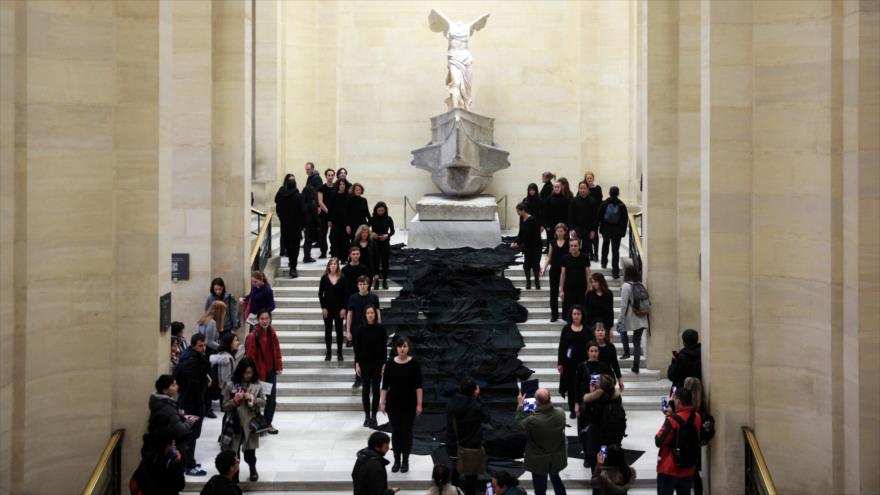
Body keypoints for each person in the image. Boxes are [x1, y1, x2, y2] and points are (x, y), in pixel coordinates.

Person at [380, 336, 423, 473]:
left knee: (407, 432)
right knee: (396, 432)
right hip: (393, 403)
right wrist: (382, 402)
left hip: (409, 403)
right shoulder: (390, 364)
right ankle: (396, 460)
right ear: (396, 348)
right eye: (400, 346)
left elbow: (419, 386)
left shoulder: (414, 363)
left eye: (404, 346)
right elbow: (385, 385)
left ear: (408, 348)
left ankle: (405, 460)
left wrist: (419, 404)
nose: (402, 349)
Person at [515, 388, 568, 495]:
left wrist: (520, 406)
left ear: (537, 401)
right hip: (555, 457)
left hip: (538, 460)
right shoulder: (561, 413)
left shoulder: (533, 420)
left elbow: (519, 425)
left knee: (540, 489)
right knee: (556, 480)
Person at [222, 357, 267, 483]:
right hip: (234, 423)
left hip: (250, 423)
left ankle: (253, 469)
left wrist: (252, 399)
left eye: (250, 372)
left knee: (250, 452)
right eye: (246, 372)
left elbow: (263, 401)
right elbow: (224, 406)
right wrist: (234, 400)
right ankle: (235, 474)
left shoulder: (257, 385)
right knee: (233, 452)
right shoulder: (231, 385)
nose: (248, 375)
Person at [445, 377, 490, 495]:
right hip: (471, 446)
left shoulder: (451, 403)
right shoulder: (476, 405)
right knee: (471, 478)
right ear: (474, 391)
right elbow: (487, 418)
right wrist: (478, 397)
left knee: (455, 472)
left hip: (454, 443)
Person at [148, 375, 198, 474]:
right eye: (173, 385)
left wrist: (180, 417)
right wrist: (190, 421)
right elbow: (181, 430)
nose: (177, 387)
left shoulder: (157, 401)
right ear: (165, 390)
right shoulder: (168, 408)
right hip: (171, 446)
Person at [655, 387, 701, 495]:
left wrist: (670, 416)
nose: (673, 401)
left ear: (678, 401)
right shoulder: (697, 417)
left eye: (674, 399)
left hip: (669, 468)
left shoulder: (672, 420)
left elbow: (658, 441)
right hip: (688, 469)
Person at [177, 333, 211, 475]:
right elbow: (193, 384)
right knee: (191, 434)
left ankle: (188, 461)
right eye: (200, 346)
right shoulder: (192, 361)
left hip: (192, 401)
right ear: (193, 345)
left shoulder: (192, 357)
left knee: (192, 435)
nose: (203, 348)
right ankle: (188, 464)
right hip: (192, 403)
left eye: (204, 345)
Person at [244, 310, 282, 434]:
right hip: (258, 373)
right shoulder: (252, 336)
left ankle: (266, 423)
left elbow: (276, 351)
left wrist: (278, 366)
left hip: (270, 371)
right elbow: (250, 357)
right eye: (262, 319)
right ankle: (255, 425)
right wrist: (252, 375)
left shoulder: (272, 332)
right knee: (254, 400)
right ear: (258, 319)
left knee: (272, 400)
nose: (265, 321)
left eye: (267, 318)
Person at [580, 374, 625, 473]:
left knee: (598, 470)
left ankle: (598, 485)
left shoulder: (596, 400)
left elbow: (584, 412)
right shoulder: (616, 399)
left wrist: (592, 394)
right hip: (613, 442)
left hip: (598, 443)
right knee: (608, 468)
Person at [130, 418, 186, 495]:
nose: (174, 446)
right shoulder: (164, 464)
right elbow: (179, 485)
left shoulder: (149, 454)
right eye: (172, 444)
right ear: (167, 446)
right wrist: (177, 464)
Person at [354, 305, 387, 427]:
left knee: (376, 390)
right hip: (364, 363)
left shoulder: (381, 329)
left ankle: (374, 416)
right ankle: (367, 416)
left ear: (375, 314)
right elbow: (357, 349)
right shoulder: (360, 329)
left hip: (378, 363)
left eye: (372, 312)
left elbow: (384, 348)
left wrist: (384, 364)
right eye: (368, 313)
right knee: (365, 390)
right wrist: (357, 364)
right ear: (365, 315)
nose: (370, 315)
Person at [347, 275, 381, 386]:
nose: (362, 286)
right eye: (360, 284)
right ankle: (358, 378)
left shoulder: (374, 297)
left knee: (371, 354)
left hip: (371, 330)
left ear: (368, 285)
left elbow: (377, 313)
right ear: (357, 285)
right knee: (358, 354)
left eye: (365, 284)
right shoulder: (352, 298)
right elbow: (350, 314)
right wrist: (348, 331)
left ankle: (370, 378)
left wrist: (379, 327)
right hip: (357, 331)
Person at [557, 305, 589, 418]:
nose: (576, 316)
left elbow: (590, 346)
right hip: (569, 363)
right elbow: (562, 347)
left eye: (578, 314)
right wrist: (560, 363)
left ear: (582, 315)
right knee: (571, 386)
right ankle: (572, 409)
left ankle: (582, 407)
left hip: (583, 363)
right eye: (574, 314)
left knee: (582, 385)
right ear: (571, 315)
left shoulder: (587, 329)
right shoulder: (566, 329)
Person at [274, 173, 305, 278]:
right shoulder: (298, 196)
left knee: (288, 246)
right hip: (295, 228)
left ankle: (291, 263)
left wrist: (282, 219)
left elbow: (278, 209)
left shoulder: (282, 196)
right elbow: (303, 212)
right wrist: (302, 225)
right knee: (295, 248)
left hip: (285, 226)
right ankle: (293, 267)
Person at [618, 266, 649, 368]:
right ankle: (636, 366)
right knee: (637, 342)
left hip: (630, 316)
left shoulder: (626, 286)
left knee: (622, 330)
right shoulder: (641, 284)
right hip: (642, 316)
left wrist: (620, 319)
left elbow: (623, 305)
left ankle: (626, 352)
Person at [319, 257, 348, 362]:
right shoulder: (324, 278)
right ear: (328, 266)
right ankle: (329, 352)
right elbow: (320, 294)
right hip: (328, 309)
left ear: (337, 266)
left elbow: (346, 294)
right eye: (331, 264)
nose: (333, 265)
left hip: (339, 309)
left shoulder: (342, 278)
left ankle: (339, 352)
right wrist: (323, 308)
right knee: (328, 331)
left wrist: (344, 308)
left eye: (335, 264)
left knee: (339, 331)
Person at [597, 186, 628, 279]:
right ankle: (615, 271)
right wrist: (623, 232)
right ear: (618, 193)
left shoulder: (604, 203)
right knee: (615, 250)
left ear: (609, 193)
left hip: (606, 229)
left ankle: (604, 262)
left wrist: (600, 227)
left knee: (605, 245)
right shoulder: (621, 205)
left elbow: (599, 216)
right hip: (617, 231)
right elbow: (624, 219)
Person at [511, 202, 542, 290]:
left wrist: (519, 243)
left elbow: (528, 234)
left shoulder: (532, 220)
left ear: (523, 210)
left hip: (535, 245)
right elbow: (521, 232)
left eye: (518, 211)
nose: (517, 213)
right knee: (527, 264)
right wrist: (516, 241)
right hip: (527, 245)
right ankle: (528, 282)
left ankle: (537, 281)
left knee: (536, 264)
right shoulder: (521, 218)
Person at [542, 223, 569, 322]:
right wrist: (544, 267)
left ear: (565, 232)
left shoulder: (568, 242)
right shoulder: (552, 242)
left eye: (561, 231)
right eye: (557, 231)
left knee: (565, 292)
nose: (559, 233)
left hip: (566, 270)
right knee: (553, 293)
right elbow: (549, 256)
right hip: (554, 270)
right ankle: (554, 314)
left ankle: (566, 314)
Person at [559, 238, 591, 321]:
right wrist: (561, 290)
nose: (573, 247)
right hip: (569, 288)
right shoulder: (565, 258)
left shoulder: (584, 257)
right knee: (568, 310)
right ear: (569, 247)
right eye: (571, 246)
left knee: (582, 308)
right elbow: (563, 274)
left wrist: (589, 287)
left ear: (579, 246)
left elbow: (588, 273)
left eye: (575, 246)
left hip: (582, 287)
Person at [575, 341, 613, 409]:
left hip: (601, 401)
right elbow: (577, 385)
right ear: (588, 352)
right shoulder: (581, 366)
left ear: (599, 352)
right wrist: (576, 403)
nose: (594, 353)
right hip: (586, 400)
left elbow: (610, 383)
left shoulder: (604, 366)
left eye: (596, 351)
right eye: (591, 351)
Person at [370, 201, 395, 290]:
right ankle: (376, 281)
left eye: (382, 210)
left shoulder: (389, 218)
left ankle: (384, 280)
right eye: (379, 210)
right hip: (375, 243)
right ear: (376, 210)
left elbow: (392, 231)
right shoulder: (372, 218)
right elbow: (365, 228)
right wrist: (371, 233)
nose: (380, 212)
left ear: (385, 210)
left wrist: (387, 235)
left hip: (385, 242)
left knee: (385, 262)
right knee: (375, 262)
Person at [594, 324, 623, 392]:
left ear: (605, 332)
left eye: (602, 330)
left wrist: (620, 380)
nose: (600, 332)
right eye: (598, 330)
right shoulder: (591, 345)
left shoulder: (610, 347)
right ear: (594, 332)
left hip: (608, 375)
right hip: (594, 374)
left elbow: (615, 364)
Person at [569, 181, 598, 250]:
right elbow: (570, 215)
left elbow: (595, 217)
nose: (583, 190)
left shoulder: (592, 201)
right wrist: (571, 229)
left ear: (588, 189)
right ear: (578, 189)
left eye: (584, 188)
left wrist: (593, 230)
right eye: (581, 188)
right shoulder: (574, 200)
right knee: (575, 249)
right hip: (576, 228)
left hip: (588, 229)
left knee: (586, 250)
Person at [584, 273, 613, 340]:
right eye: (592, 282)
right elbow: (586, 310)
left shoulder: (609, 294)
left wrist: (611, 328)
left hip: (605, 324)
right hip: (591, 325)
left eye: (595, 282)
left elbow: (610, 311)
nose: (593, 284)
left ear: (601, 281)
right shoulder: (589, 294)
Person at [302, 164, 321, 264]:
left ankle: (307, 256)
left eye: (308, 169)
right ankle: (307, 256)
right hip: (309, 223)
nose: (307, 171)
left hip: (307, 223)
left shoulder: (316, 178)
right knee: (308, 240)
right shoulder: (310, 203)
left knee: (307, 240)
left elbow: (318, 191)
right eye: (306, 169)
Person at [329, 179, 351, 260]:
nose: (342, 185)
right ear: (338, 185)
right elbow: (330, 208)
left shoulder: (349, 196)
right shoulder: (333, 194)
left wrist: (348, 224)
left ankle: (344, 258)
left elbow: (349, 211)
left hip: (345, 221)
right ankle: (335, 258)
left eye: (344, 184)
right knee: (335, 239)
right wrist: (329, 220)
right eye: (340, 184)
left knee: (345, 240)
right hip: (335, 221)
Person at [583, 171, 603, 261]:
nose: (589, 180)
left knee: (595, 235)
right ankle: (590, 253)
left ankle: (596, 254)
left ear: (593, 178)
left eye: (590, 178)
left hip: (596, 215)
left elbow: (600, 201)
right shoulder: (583, 188)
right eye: (587, 178)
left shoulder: (598, 188)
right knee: (588, 236)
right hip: (586, 215)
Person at [544, 181, 571, 248]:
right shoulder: (549, 199)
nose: (557, 188)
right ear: (553, 188)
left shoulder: (566, 199)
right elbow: (546, 212)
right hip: (552, 224)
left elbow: (568, 213)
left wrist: (568, 225)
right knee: (551, 240)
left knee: (564, 239)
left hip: (563, 223)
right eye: (555, 187)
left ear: (561, 188)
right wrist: (547, 224)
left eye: (558, 187)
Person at [317, 168, 336, 258]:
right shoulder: (321, 188)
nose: (330, 177)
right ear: (326, 176)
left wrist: (332, 212)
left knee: (333, 234)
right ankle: (323, 251)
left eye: (332, 175)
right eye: (328, 175)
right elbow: (320, 202)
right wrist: (328, 211)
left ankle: (333, 250)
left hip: (333, 215)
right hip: (324, 214)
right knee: (322, 234)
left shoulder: (336, 187)